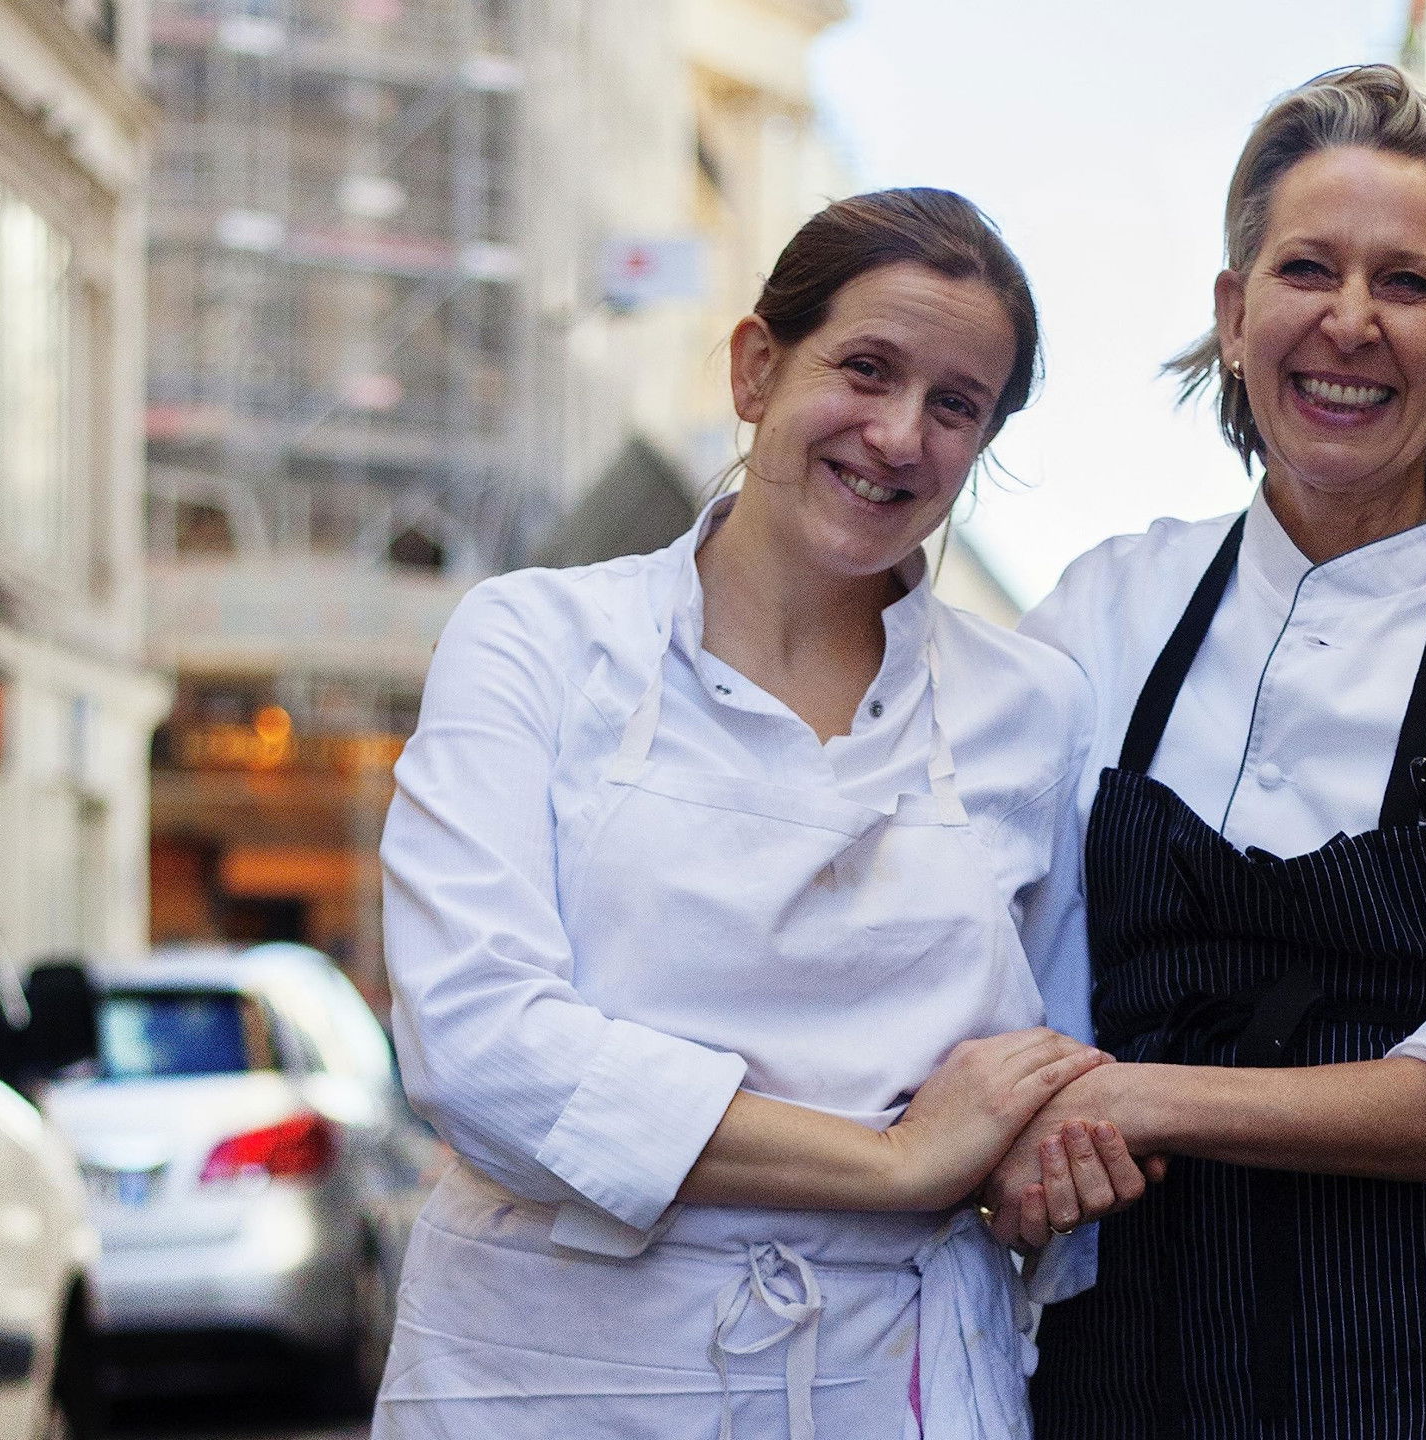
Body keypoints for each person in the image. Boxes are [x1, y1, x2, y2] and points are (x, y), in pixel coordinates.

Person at [374, 187, 1149, 1440]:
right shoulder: (535, 641)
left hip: (888, 1383)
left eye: (955, 406)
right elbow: (479, 1050)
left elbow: (1042, 1080)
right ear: (755, 368)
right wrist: (898, 1164)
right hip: (548, 1381)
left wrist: (1039, 1171)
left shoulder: (1035, 708)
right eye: (866, 368)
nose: (899, 435)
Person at [1000, 66, 1426, 1439]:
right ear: (1235, 315)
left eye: (1408, 284)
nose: (1349, 323)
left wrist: (1132, 1097)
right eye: (1307, 269)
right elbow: (987, 951)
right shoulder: (1098, 615)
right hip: (1131, 1363)